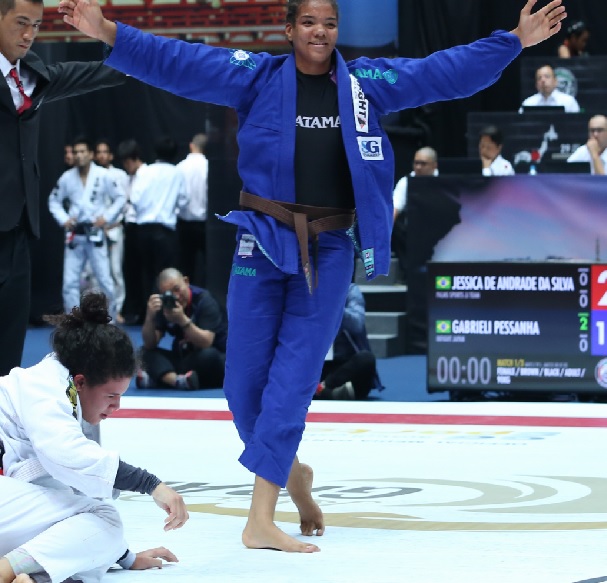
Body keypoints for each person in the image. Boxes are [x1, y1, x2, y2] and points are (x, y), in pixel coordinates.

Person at [58, 0, 566, 553]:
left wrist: (512, 41)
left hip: (328, 252)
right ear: (289, 28)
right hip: (261, 240)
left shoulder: (365, 83)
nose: (320, 32)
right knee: (241, 387)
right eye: (308, 22)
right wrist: (109, 31)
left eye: (329, 23)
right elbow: (179, 60)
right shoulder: (256, 75)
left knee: (293, 382)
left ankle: (261, 518)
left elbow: (442, 71)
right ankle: (292, 473)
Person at [0, 291, 189, 583]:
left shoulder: (71, 395)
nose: (116, 407)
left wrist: (122, 556)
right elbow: (71, 458)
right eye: (111, 396)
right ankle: (6, 572)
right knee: (105, 522)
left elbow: (69, 490)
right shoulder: (45, 387)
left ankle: (33, 579)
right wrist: (151, 484)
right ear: (81, 381)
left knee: (92, 554)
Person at [0, 0, 125, 376]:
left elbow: (98, 74)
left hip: (19, 229)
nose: (28, 34)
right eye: (21, 22)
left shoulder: (34, 76)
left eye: (36, 25)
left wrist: (115, 41)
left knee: (9, 348)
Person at [48, 136, 126, 317]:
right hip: (76, 235)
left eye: (83, 151)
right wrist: (64, 219)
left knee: (105, 281)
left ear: (91, 154)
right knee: (69, 283)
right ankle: (74, 322)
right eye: (76, 152)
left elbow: (120, 197)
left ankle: (110, 321)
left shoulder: (103, 175)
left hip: (95, 233)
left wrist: (106, 217)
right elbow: (53, 200)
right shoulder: (67, 178)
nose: (79, 155)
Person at [137, 267, 227, 390]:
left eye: (177, 289)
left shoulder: (205, 301)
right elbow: (150, 344)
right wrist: (149, 317)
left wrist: (182, 320)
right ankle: (177, 381)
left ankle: (160, 378)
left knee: (209, 355)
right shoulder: (166, 304)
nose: (176, 297)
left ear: (186, 281)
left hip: (212, 358)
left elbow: (207, 342)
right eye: (168, 294)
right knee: (143, 353)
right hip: (185, 357)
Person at [132, 136, 188, 304]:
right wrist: (171, 209)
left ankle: (148, 310)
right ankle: (165, 310)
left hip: (143, 228)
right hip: (165, 229)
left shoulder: (145, 170)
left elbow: (134, 198)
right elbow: (184, 200)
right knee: (166, 273)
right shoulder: (177, 173)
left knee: (146, 272)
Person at [314, 282, 382, 400]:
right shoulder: (304, 290)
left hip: (345, 367)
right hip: (316, 365)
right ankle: (330, 394)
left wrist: (334, 307)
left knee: (366, 359)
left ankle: (321, 389)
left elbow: (357, 324)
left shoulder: (350, 290)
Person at [95, 138, 130, 322]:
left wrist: (113, 223)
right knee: (95, 273)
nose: (101, 155)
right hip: (95, 231)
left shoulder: (120, 175)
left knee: (115, 271)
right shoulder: (91, 175)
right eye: (98, 152)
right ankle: (96, 310)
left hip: (115, 228)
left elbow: (124, 201)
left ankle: (116, 309)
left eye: (104, 152)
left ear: (111, 155)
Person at [392, 146, 438, 283]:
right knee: (394, 229)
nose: (418, 167)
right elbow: (395, 208)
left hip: (440, 229)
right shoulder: (405, 181)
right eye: (416, 163)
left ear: (434, 165)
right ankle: (409, 274)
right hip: (413, 230)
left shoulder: (444, 179)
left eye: (423, 163)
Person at [116, 138, 148, 325]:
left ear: (135, 158)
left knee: (143, 272)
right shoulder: (128, 177)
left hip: (142, 225)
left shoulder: (148, 174)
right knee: (131, 272)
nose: (125, 166)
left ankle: (144, 311)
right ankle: (133, 309)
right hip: (129, 227)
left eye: (127, 162)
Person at [176, 132, 209, 287]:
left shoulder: (180, 167)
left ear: (191, 145)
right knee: (209, 264)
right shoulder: (209, 166)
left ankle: (187, 298)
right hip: (205, 224)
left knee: (186, 265)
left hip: (184, 223)